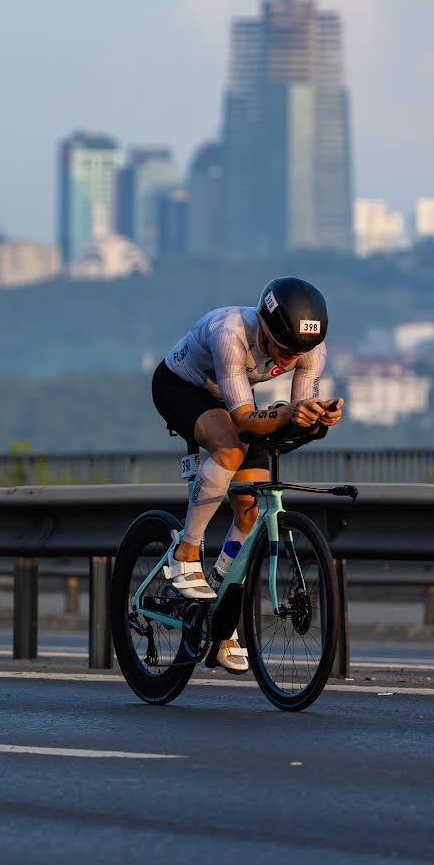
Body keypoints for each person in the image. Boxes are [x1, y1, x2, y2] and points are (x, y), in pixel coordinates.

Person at [149, 276, 343, 673]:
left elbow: (296, 410)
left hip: (233, 396)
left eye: (300, 352)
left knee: (250, 509)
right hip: (182, 387)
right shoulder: (231, 332)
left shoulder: (310, 348)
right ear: (266, 329)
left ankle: (219, 613)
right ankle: (185, 552)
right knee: (231, 447)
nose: (289, 361)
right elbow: (242, 420)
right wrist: (285, 413)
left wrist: (317, 418)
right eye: (283, 349)